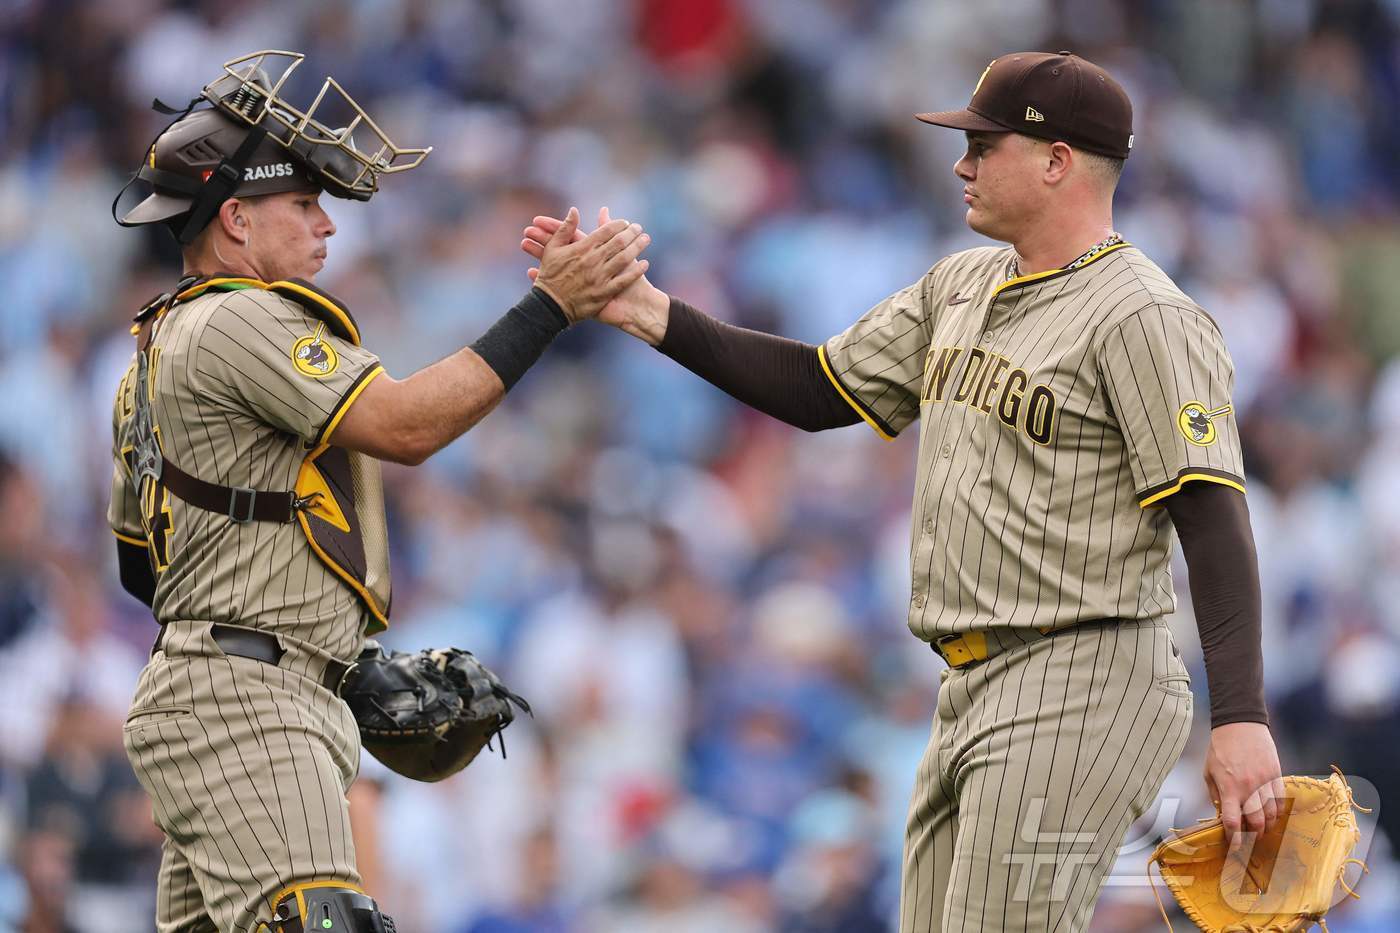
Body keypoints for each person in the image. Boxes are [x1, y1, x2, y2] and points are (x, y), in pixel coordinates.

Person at [522, 50, 1283, 932]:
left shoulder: (1145, 315)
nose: (962, 164)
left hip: (1086, 671)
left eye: (984, 145)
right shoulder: (959, 284)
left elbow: (1212, 513)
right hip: (970, 682)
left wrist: (1242, 719)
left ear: (1057, 160)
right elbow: (816, 389)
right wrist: (647, 310)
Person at [107, 50, 649, 932]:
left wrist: (322, 654)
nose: (327, 225)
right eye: (304, 203)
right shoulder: (238, 314)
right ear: (236, 219)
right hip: (248, 707)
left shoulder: (153, 353)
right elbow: (406, 426)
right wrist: (549, 306)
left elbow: (145, 570)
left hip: (228, 695)